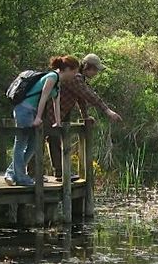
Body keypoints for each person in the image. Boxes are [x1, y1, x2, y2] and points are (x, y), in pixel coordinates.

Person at [45, 52, 123, 180]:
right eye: (95, 70)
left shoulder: (79, 79)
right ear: (86, 67)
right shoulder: (76, 78)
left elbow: (81, 99)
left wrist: (85, 117)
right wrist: (108, 111)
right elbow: (89, 95)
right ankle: (46, 172)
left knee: (56, 140)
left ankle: (60, 172)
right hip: (50, 112)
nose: (96, 73)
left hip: (62, 112)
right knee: (49, 140)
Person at [5, 55, 79, 186]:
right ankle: (20, 177)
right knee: (21, 142)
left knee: (34, 144)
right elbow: (44, 98)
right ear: (67, 69)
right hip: (24, 109)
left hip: (31, 112)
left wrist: (58, 122)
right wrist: (39, 118)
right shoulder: (52, 77)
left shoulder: (58, 82)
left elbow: (56, 102)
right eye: (74, 72)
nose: (75, 75)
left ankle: (11, 172)